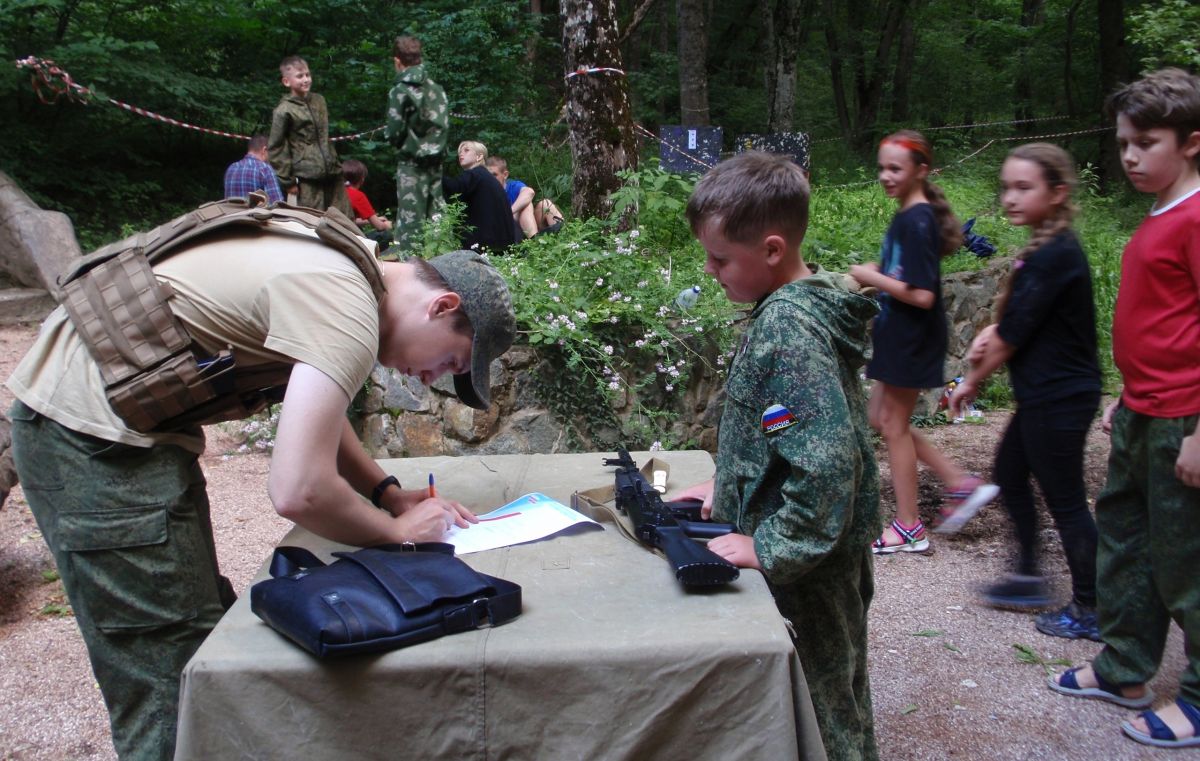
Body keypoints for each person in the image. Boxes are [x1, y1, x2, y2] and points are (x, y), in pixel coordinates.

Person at [6, 201, 516, 760]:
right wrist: (398, 533)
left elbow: (320, 418)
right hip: (94, 440)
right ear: (443, 306)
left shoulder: (352, 268)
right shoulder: (347, 307)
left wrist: (386, 494)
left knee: (198, 625)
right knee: (169, 666)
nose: (433, 379)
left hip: (113, 422)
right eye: (453, 363)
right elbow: (298, 490)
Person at [671, 151, 881, 761]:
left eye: (719, 259)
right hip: (815, 552)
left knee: (822, 703)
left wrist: (773, 546)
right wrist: (727, 486)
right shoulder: (793, 308)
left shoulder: (788, 329)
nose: (710, 271)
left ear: (769, 250)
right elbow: (778, 430)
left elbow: (826, 462)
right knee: (838, 683)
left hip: (809, 566)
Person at [1047, 67, 1200, 750]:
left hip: (1186, 422)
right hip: (1144, 410)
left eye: (1147, 142)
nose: (1132, 155)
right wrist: (1128, 393)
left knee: (1188, 560)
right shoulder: (1161, 212)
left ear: (1192, 141)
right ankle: (1126, 666)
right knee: (1128, 543)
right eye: (1124, 143)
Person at [948, 144, 1102, 640]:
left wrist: (969, 383)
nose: (1010, 198)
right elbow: (1012, 327)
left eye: (1024, 188)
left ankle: (1091, 606)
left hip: (1062, 396)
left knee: (1067, 500)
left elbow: (1011, 337)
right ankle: (1029, 575)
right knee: (1010, 472)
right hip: (1044, 394)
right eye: (1007, 187)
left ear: (1057, 194)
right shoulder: (1041, 248)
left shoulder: (1055, 255)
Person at [848, 130, 998, 554]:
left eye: (895, 168)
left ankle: (909, 526)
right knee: (882, 418)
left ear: (921, 171)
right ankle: (958, 482)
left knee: (892, 425)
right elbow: (895, 265)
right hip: (897, 333)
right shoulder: (906, 217)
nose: (885, 176)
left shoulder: (918, 220)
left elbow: (922, 293)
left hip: (913, 336)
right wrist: (859, 274)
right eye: (882, 167)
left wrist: (870, 278)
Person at [386, 35, 448, 253]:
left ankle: (412, 271)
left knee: (410, 221)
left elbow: (394, 132)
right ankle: (444, 261)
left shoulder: (401, 90)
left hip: (411, 165)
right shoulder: (436, 88)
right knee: (437, 217)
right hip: (436, 163)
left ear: (397, 61)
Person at [267, 55, 351, 215]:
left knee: (343, 221)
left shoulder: (319, 101)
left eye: (307, 75)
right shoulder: (284, 110)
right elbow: (275, 147)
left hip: (333, 173)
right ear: (286, 82)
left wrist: (333, 160)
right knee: (311, 223)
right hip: (306, 178)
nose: (306, 79)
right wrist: (288, 180)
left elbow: (323, 135)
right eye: (300, 76)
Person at [443, 141, 518, 254]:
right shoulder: (486, 178)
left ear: (479, 156)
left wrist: (431, 173)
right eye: (460, 152)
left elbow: (453, 189)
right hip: (502, 245)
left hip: (482, 245)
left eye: (466, 150)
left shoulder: (475, 174)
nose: (461, 154)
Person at [485, 156, 565, 238]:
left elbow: (529, 192)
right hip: (507, 234)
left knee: (546, 204)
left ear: (505, 175)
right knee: (526, 207)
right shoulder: (484, 193)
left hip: (527, 227)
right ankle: (535, 244)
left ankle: (565, 236)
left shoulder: (512, 186)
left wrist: (509, 212)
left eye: (494, 175)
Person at [343, 158, 394, 246]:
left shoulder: (337, 192)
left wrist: (368, 221)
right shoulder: (358, 195)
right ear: (362, 179)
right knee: (386, 235)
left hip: (335, 234)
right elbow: (379, 226)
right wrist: (387, 225)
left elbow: (349, 220)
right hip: (350, 240)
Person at [222, 134, 283, 204]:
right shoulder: (265, 169)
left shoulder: (231, 168)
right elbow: (277, 204)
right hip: (253, 215)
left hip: (231, 214)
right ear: (264, 150)